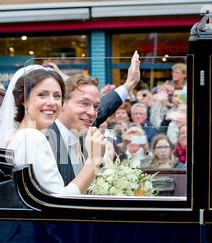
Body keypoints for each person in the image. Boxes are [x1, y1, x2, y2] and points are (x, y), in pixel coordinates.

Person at [3, 67, 106, 195]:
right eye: (42, 95)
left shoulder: (28, 135)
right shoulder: (31, 137)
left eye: (57, 96)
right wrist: (94, 160)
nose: (52, 102)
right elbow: (58, 203)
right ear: (24, 100)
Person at [44, 51, 141, 184]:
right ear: (62, 103)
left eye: (95, 106)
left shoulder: (82, 126)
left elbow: (105, 107)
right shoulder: (45, 141)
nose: (92, 113)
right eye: (84, 103)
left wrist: (129, 84)